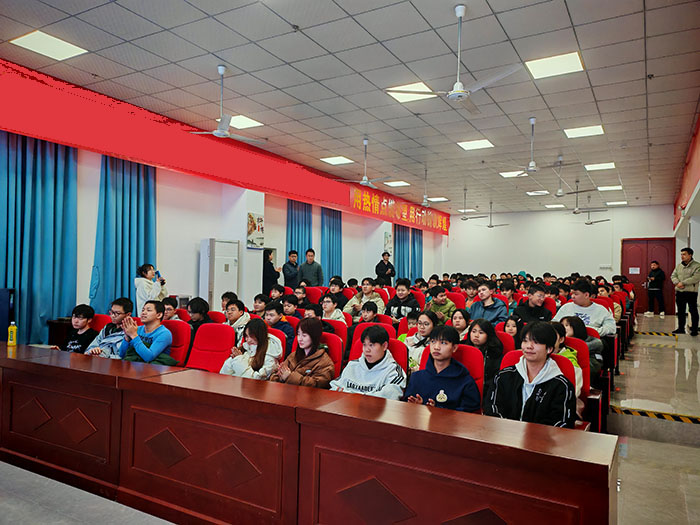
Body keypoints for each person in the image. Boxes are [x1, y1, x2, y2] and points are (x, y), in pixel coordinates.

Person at [484, 322, 575, 428]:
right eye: (525, 341)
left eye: (536, 342)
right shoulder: (503, 376)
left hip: (542, 438)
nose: (529, 346)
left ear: (549, 349)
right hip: (503, 434)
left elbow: (561, 423)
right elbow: (491, 409)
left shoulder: (562, 386)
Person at [404, 326, 480, 413]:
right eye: (433, 341)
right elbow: (406, 405)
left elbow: (470, 413)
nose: (436, 347)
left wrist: (439, 411)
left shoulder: (465, 381)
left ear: (454, 348)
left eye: (443, 343)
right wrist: (416, 406)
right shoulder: (416, 377)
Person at [329, 325, 406, 400]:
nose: (367, 350)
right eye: (364, 345)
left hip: (376, 408)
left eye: (371, 345)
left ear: (384, 346)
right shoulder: (352, 365)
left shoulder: (394, 371)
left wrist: (353, 397)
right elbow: (335, 388)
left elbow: (390, 397)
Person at [271, 318, 335, 388]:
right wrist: (279, 376)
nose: (300, 339)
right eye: (298, 334)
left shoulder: (325, 362)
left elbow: (317, 385)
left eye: (304, 335)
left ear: (314, 336)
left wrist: (289, 377)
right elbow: (277, 375)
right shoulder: (293, 355)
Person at [118, 300, 175, 365]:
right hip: (134, 365)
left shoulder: (164, 334)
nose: (143, 313)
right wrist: (127, 337)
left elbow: (148, 357)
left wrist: (134, 335)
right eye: (143, 310)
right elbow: (122, 354)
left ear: (159, 315)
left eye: (148, 310)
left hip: (153, 368)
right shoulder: (137, 329)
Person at [466, 318, 503, 397]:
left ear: (488, 335)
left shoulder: (494, 353)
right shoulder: (463, 349)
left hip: (486, 391)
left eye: (481, 332)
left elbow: (495, 379)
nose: (476, 335)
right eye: (473, 331)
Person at [671, 247, 700, 335]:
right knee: (680, 311)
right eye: (681, 254)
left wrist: (682, 283)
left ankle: (694, 330)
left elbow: (695, 278)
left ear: (690, 255)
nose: (682, 256)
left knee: (693, 311)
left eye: (684, 254)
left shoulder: (697, 266)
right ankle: (681, 328)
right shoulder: (679, 266)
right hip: (680, 292)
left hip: (691, 292)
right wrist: (677, 283)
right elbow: (673, 275)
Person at [550, 322, 583, 399]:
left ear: (561, 339)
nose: (546, 339)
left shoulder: (570, 361)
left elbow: (574, 391)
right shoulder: (536, 356)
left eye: (552, 336)